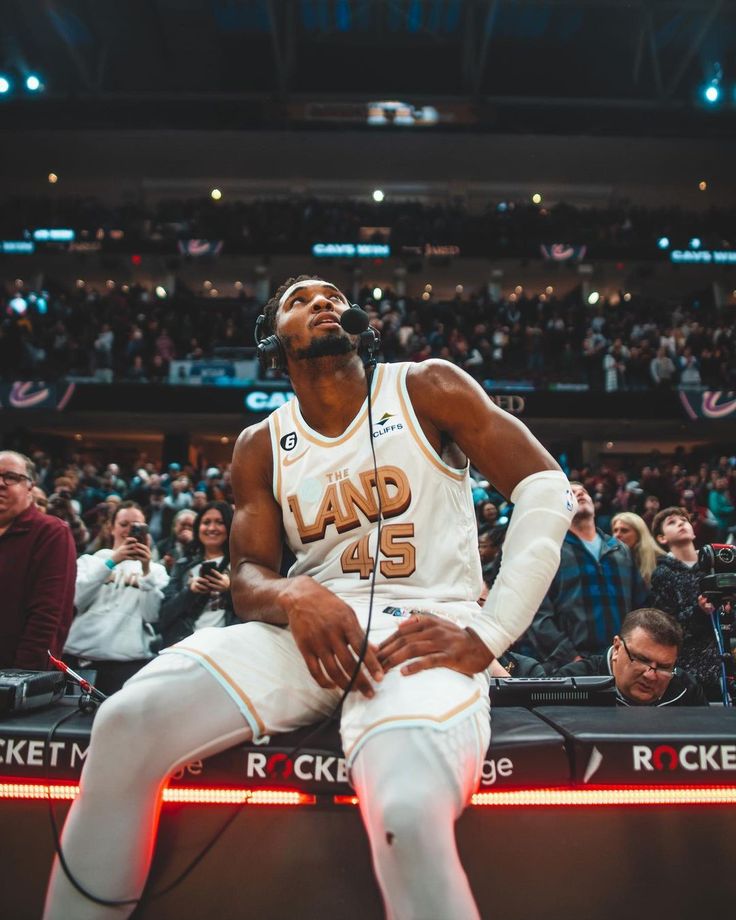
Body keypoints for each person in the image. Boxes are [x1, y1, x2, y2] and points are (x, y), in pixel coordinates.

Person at [45, 275, 574, 920]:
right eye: (299, 299)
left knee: (406, 807)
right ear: (274, 340)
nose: (322, 302)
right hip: (310, 630)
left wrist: (491, 633)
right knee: (125, 723)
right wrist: (295, 596)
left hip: (427, 626)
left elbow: (546, 487)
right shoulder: (260, 443)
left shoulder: (426, 385)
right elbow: (247, 580)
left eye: (331, 295)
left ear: (355, 322)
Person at [521, 482, 647, 672]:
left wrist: (636, 651)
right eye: (570, 492)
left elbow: (641, 605)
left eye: (583, 491)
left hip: (621, 658)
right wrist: (569, 656)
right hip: (574, 661)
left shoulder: (619, 548)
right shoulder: (547, 549)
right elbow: (537, 614)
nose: (579, 493)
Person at [63, 500, 170, 695]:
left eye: (138, 526)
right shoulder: (90, 561)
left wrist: (146, 570)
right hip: (80, 659)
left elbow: (151, 615)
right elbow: (77, 600)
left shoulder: (156, 570)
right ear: (111, 528)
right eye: (124, 524)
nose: (130, 530)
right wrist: (111, 562)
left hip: (127, 663)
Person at [0, 450, 76, 670]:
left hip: (12, 680)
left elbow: (46, 617)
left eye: (11, 477)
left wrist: (21, 679)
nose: (1, 483)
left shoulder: (51, 533)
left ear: (30, 487)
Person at [648, 506, 732, 702]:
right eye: (672, 522)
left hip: (726, 663)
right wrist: (699, 612)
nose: (680, 523)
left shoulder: (715, 566)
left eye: (684, 520)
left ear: (693, 530)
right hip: (690, 670)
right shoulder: (662, 575)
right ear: (662, 538)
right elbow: (665, 627)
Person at [555, 607, 708, 706]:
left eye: (663, 667)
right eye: (641, 660)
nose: (651, 676)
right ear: (616, 648)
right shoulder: (573, 683)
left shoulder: (686, 689)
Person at [158, 501, 235, 648]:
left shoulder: (242, 566)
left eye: (220, 522)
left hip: (225, 648)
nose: (212, 528)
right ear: (198, 528)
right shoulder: (182, 566)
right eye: (206, 522)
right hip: (187, 647)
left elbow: (255, 612)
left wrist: (229, 590)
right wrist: (190, 592)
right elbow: (163, 616)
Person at [611, 511, 664, 586]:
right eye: (615, 530)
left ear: (639, 535)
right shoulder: (609, 561)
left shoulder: (660, 561)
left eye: (624, 530)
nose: (617, 535)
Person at [154, 507, 196, 573]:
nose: (186, 528)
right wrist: (164, 564)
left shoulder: (201, 547)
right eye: (183, 524)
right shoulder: (161, 546)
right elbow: (152, 567)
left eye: (190, 526)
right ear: (174, 527)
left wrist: (191, 544)